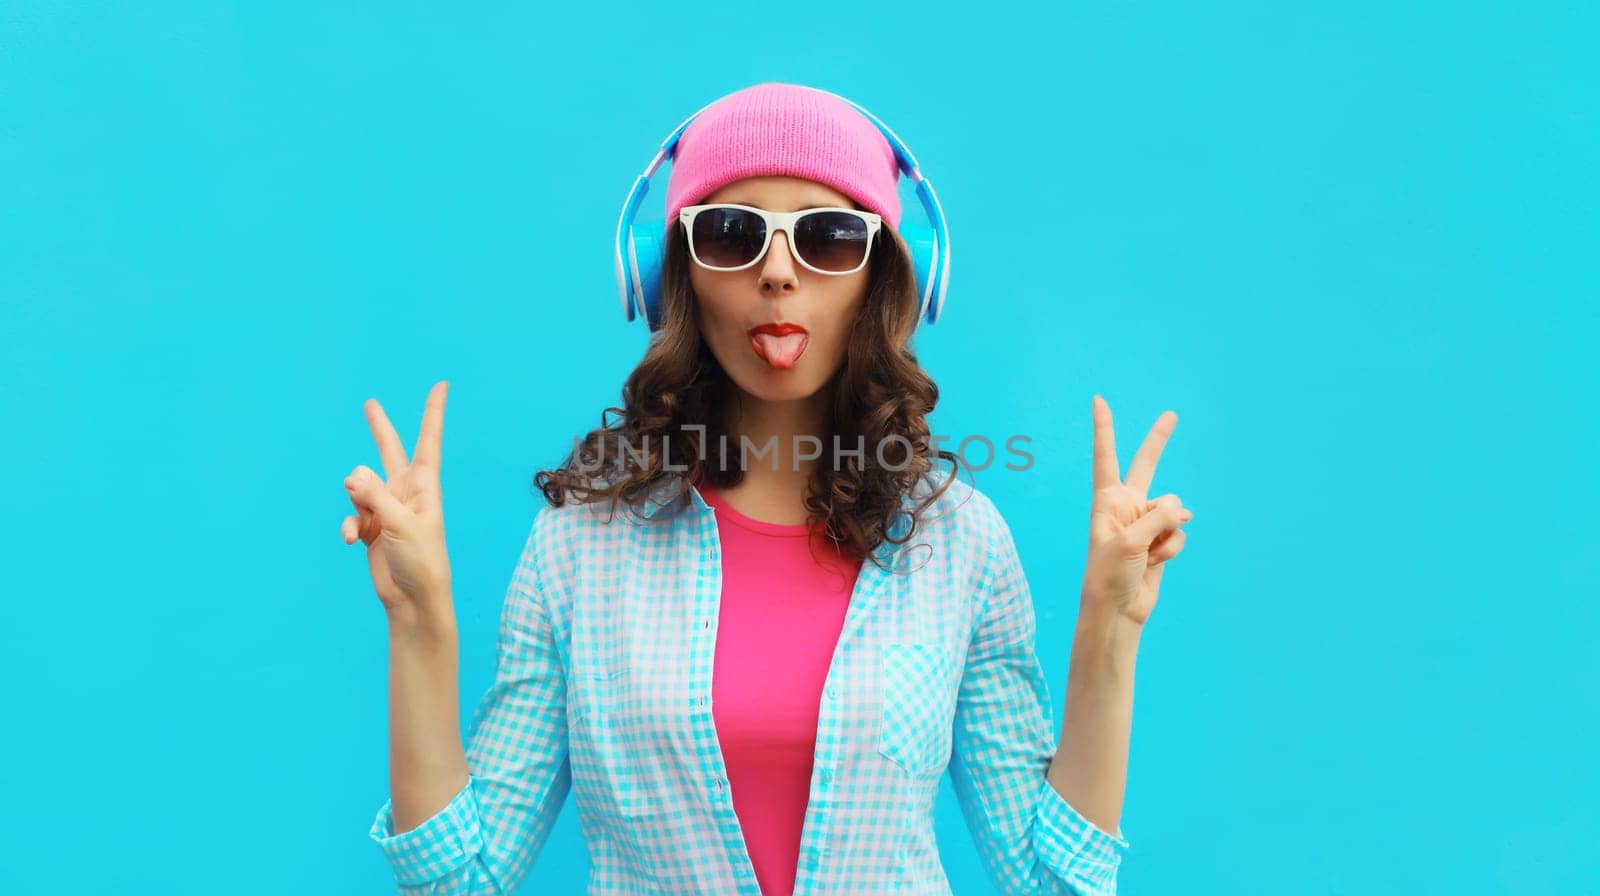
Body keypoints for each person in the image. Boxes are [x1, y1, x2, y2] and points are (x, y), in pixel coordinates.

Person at [341, 82, 1194, 896]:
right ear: (672, 271)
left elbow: (1051, 882)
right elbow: (458, 880)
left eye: (826, 238)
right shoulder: (577, 547)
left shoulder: (962, 543)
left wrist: (1109, 629)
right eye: (729, 235)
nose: (778, 273)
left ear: (884, 277)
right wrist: (418, 623)